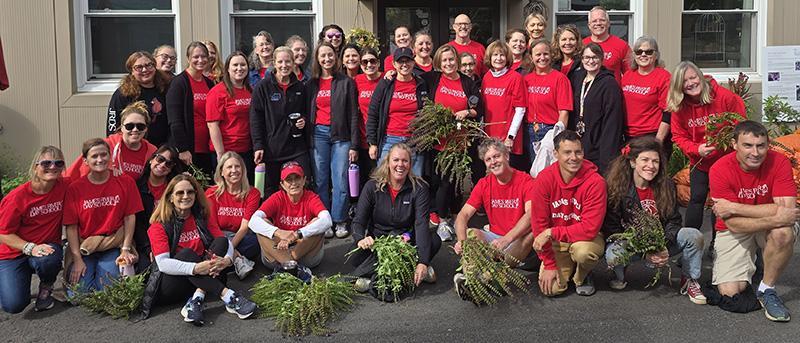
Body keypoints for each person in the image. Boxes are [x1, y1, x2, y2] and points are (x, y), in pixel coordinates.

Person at [709, 121, 799, 322]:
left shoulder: (779, 161)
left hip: (767, 226)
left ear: (768, 145)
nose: (756, 152)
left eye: (761, 146)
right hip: (738, 229)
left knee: (783, 233)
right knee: (731, 293)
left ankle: (766, 289)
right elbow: (733, 225)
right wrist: (774, 215)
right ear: (734, 144)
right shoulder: (719, 169)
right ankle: (757, 264)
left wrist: (734, 207)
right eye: (748, 145)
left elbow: (787, 210)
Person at [602, 137, 706, 304]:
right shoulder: (617, 188)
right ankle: (618, 273)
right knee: (614, 254)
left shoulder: (666, 186)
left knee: (693, 235)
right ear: (633, 162)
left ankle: (690, 279)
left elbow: (673, 221)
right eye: (645, 160)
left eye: (655, 161)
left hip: (662, 241)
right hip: (631, 243)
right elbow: (612, 229)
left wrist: (661, 246)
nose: (651, 166)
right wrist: (645, 250)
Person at [142, 174, 256, 325]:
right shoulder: (159, 225)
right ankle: (229, 296)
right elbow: (163, 264)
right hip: (171, 284)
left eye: (190, 192)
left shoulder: (201, 217)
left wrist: (227, 261)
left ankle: (196, 299)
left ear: (196, 195)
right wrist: (196, 268)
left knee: (221, 242)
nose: (185, 196)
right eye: (180, 193)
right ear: (170, 197)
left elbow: (226, 243)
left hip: (201, 276)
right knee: (188, 253)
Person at [666, 61, 745, 231]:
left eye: (693, 77)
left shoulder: (725, 97)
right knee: (697, 198)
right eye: (684, 82)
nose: (690, 83)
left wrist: (724, 144)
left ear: (700, 76)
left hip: (726, 161)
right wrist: (696, 149)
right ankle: (689, 242)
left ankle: (717, 244)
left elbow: (740, 126)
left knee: (720, 201)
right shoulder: (680, 107)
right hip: (700, 161)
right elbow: (678, 136)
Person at [350, 143, 439, 294]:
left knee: (434, 240)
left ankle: (372, 278)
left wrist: (423, 261)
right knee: (353, 255)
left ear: (410, 164)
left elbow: (421, 224)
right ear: (388, 162)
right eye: (396, 160)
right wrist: (361, 239)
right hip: (378, 244)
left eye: (405, 161)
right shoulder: (372, 186)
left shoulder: (420, 188)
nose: (400, 165)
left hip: (406, 242)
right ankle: (408, 271)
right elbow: (358, 221)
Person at [452, 138, 535, 297]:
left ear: (507, 156)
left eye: (496, 156)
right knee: (471, 234)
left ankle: (488, 275)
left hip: (517, 242)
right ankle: (474, 278)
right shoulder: (484, 183)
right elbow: (463, 216)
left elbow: (531, 215)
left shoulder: (525, 180)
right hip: (495, 240)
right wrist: (462, 242)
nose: (493, 162)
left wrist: (507, 239)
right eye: (488, 159)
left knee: (531, 233)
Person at [531, 130, 606, 297]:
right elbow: (539, 225)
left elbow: (590, 228)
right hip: (556, 243)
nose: (574, 157)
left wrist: (551, 232)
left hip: (584, 240)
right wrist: (549, 264)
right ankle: (565, 267)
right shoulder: (544, 180)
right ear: (555, 153)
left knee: (583, 253)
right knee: (552, 290)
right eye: (567, 152)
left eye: (578, 152)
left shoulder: (595, 182)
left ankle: (583, 275)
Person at [64, 139, 142, 294]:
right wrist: (77, 259)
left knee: (109, 290)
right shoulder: (75, 188)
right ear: (85, 161)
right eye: (94, 156)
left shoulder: (125, 182)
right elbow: (71, 227)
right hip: (85, 246)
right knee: (78, 295)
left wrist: (125, 249)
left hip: (112, 243)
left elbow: (129, 218)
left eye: (103, 154)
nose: (100, 159)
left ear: (110, 157)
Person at [420, 44, 482, 241]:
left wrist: (467, 112)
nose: (448, 63)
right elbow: (412, 73)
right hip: (438, 142)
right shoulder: (433, 78)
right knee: (442, 183)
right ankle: (443, 219)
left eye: (451, 59)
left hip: (459, 142)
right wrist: (389, 74)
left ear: (457, 61)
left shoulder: (467, 82)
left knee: (455, 182)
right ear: (439, 62)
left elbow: (477, 108)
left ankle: (455, 218)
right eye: (444, 60)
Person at [0, 146, 68, 313]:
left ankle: (46, 288)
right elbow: (3, 233)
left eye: (58, 163)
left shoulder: (65, 186)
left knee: (48, 259)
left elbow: (89, 163)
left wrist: (114, 169)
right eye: (46, 163)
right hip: (13, 254)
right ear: (35, 167)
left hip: (45, 249)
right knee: (13, 305)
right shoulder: (16, 198)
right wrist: (31, 247)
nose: (52, 167)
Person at [308, 42, 359, 239]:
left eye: (330, 55)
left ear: (335, 57)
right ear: (317, 59)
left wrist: (354, 144)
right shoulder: (311, 84)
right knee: (320, 180)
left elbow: (354, 115)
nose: (327, 59)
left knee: (340, 181)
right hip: (318, 135)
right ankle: (325, 220)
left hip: (341, 136)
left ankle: (339, 220)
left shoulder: (346, 82)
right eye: (323, 56)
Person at [248, 162, 330, 271]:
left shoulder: (311, 197)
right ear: (282, 184)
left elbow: (327, 220)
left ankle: (287, 267)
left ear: (304, 180)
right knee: (262, 223)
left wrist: (297, 234)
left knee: (318, 222)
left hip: (303, 252)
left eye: (297, 178)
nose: (294, 183)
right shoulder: (277, 197)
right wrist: (278, 232)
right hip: (278, 250)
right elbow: (252, 221)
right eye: (289, 180)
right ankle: (293, 268)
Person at [366, 47, 428, 176]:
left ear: (413, 62)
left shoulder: (421, 84)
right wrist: (372, 143)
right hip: (389, 139)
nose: (404, 64)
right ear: (394, 64)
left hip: (414, 141)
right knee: (383, 179)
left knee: (415, 181)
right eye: (400, 61)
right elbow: (373, 113)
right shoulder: (386, 84)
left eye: (408, 61)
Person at [568, 43, 624, 173]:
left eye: (595, 57)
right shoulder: (577, 79)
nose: (590, 61)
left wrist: (606, 156)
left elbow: (612, 121)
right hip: (579, 141)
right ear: (581, 60)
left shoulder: (609, 83)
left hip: (598, 145)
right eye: (587, 57)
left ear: (601, 59)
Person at [67, 101, 158, 181]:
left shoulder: (152, 151)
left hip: (135, 196)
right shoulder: (104, 146)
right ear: (121, 127)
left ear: (146, 129)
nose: (135, 130)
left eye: (140, 126)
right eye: (129, 126)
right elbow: (75, 173)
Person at [205, 152, 261, 280]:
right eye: (229, 167)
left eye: (237, 166)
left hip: (240, 237)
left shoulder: (253, 193)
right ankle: (236, 261)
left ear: (243, 170)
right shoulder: (211, 193)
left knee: (255, 242)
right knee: (209, 242)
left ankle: (221, 262)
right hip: (218, 236)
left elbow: (244, 227)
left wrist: (230, 248)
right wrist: (229, 250)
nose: (234, 170)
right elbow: (212, 226)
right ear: (222, 172)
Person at [166, 41, 216, 176]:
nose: (201, 60)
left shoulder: (210, 84)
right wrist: (182, 149)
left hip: (207, 148)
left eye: (204, 56)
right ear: (188, 58)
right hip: (188, 151)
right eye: (196, 57)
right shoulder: (179, 83)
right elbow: (174, 120)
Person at [133, 145, 185, 273]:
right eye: (160, 159)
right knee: (145, 270)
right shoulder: (137, 187)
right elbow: (137, 223)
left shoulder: (176, 188)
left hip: (172, 240)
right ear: (152, 159)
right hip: (146, 241)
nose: (162, 165)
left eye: (168, 164)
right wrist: (149, 248)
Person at [206, 51, 255, 182]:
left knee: (246, 188)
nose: (239, 68)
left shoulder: (251, 91)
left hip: (247, 150)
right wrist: (220, 154)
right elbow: (212, 125)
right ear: (227, 69)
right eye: (235, 65)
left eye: (243, 65)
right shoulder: (217, 92)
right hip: (227, 151)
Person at [106, 51, 171, 147]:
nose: (145, 70)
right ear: (131, 71)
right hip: (133, 148)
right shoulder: (122, 93)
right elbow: (112, 126)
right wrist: (114, 148)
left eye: (149, 65)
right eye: (139, 67)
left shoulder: (167, 89)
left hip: (163, 149)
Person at [480, 40, 527, 171]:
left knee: (507, 174)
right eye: (495, 55)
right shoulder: (487, 77)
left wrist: (510, 137)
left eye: (502, 55)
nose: (498, 58)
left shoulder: (515, 78)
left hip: (507, 138)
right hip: (489, 137)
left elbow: (520, 110)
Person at [524, 40, 572, 164]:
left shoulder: (560, 79)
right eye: (538, 54)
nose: (542, 58)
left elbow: (564, 112)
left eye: (546, 54)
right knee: (532, 170)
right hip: (529, 131)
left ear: (551, 55)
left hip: (549, 131)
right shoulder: (526, 79)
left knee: (547, 171)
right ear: (531, 57)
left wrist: (557, 135)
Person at [622, 36, 671, 147]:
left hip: (652, 136)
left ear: (656, 55)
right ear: (634, 55)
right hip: (629, 136)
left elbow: (668, 112)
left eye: (648, 52)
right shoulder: (627, 76)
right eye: (639, 52)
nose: (643, 55)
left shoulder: (664, 77)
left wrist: (658, 141)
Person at [354, 47, 382, 189]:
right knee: (366, 180)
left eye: (372, 61)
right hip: (363, 138)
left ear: (378, 63)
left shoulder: (386, 79)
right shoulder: (357, 81)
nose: (369, 65)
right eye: (365, 62)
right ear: (360, 65)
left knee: (381, 177)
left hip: (382, 139)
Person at [582, 6, 632, 83]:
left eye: (602, 20)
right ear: (589, 25)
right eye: (594, 21)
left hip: (612, 92)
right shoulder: (581, 45)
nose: (598, 23)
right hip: (587, 92)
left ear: (608, 23)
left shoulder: (622, 45)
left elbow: (630, 75)